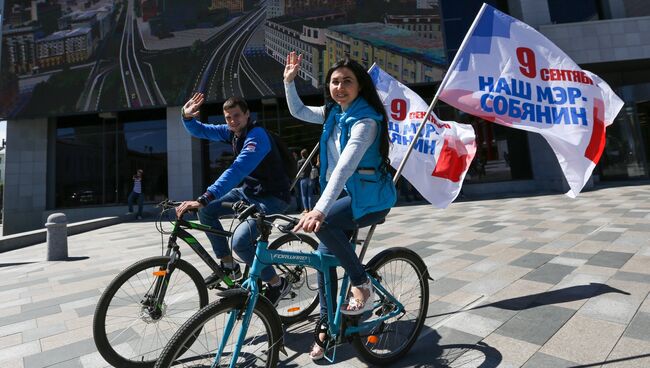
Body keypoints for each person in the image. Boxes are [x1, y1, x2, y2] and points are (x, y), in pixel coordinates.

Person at [283, 52, 397, 360]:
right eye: (335, 82)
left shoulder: (366, 121)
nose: (340, 87)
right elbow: (297, 111)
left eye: (348, 81)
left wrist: (319, 210)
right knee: (323, 261)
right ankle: (326, 327)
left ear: (360, 86)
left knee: (327, 223)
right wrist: (289, 82)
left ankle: (362, 284)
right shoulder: (334, 113)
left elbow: (345, 167)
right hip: (340, 198)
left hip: (368, 199)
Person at [175, 94, 292, 306]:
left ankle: (277, 283)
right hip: (249, 192)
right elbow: (201, 130)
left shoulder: (257, 137)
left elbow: (237, 170)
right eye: (228, 117)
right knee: (207, 210)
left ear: (247, 114)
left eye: (236, 116)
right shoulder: (232, 132)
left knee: (240, 242)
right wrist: (186, 116)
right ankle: (230, 266)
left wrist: (204, 197)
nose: (232, 121)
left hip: (273, 198)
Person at [296, 148, 313, 213]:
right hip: (310, 178)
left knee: (303, 195)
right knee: (309, 195)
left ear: (301, 154)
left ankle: (306, 209)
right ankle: (311, 208)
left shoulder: (299, 162)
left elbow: (297, 170)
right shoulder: (309, 161)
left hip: (303, 179)